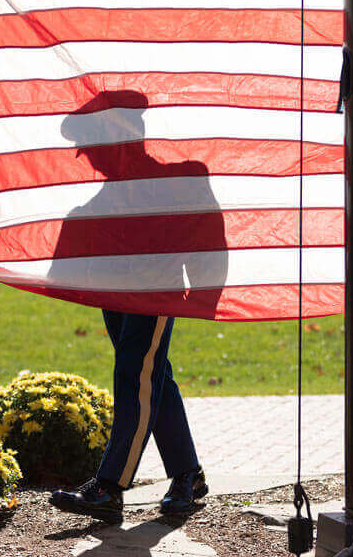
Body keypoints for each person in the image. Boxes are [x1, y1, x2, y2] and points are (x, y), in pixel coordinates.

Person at [47, 90, 228, 523]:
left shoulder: (178, 180)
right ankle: (188, 474)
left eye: (93, 149)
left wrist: (204, 294)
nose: (90, 160)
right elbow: (64, 268)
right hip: (118, 300)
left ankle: (110, 486)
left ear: (122, 139)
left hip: (156, 295)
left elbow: (209, 237)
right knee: (152, 379)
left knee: (134, 376)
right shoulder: (99, 205)